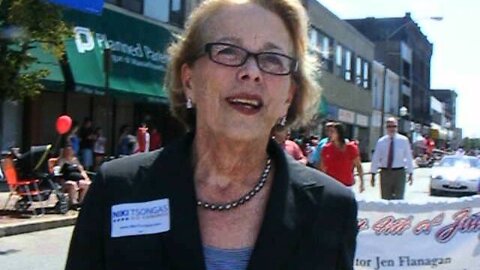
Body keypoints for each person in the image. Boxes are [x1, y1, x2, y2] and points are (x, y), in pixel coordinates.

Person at [66, 1, 358, 269]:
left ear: (289, 95)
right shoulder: (117, 190)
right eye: (228, 50)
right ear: (189, 80)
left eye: (272, 59)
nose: (252, 72)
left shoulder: (331, 209)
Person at [370, 117, 414, 200]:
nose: (392, 129)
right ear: (386, 128)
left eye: (394, 126)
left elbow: (408, 156)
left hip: (399, 173)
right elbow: (376, 158)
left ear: (397, 127)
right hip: (385, 173)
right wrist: (373, 173)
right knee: (385, 198)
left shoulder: (404, 140)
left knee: (398, 199)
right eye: (389, 126)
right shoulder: (381, 142)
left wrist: (410, 173)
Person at [320, 123, 364, 192]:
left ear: (339, 133)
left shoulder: (351, 148)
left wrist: (362, 183)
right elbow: (323, 168)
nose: (329, 134)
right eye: (328, 131)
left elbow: (358, 166)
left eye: (332, 132)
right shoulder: (326, 148)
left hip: (346, 185)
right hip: (331, 185)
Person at [54, 143, 91, 209]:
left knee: (86, 184)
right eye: (67, 150)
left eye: (70, 150)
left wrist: (86, 178)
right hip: (66, 180)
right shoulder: (62, 160)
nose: (69, 152)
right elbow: (57, 171)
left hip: (78, 180)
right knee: (72, 184)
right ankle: (73, 203)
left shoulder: (75, 160)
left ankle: (81, 202)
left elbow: (82, 170)